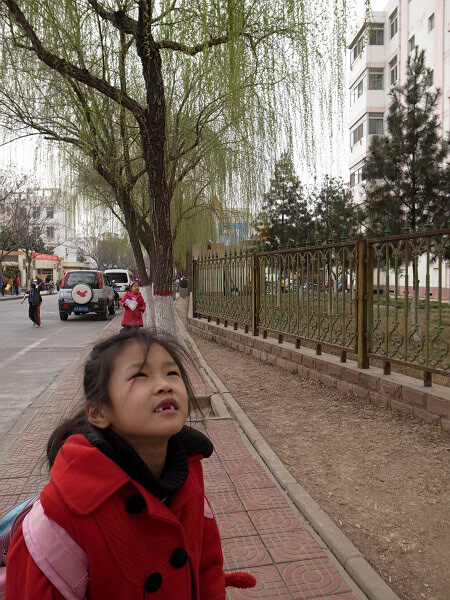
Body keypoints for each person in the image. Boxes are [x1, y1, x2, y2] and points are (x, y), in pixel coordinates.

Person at [5, 328, 227, 599]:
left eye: (172, 373)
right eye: (140, 376)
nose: (164, 385)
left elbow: (208, 568)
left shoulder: (190, 472)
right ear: (98, 412)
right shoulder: (63, 515)